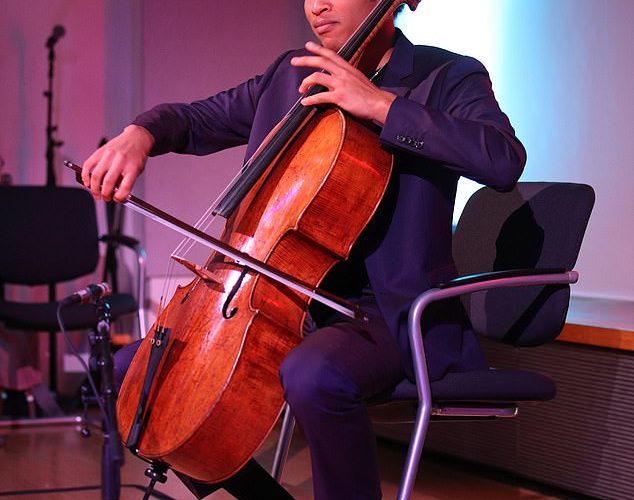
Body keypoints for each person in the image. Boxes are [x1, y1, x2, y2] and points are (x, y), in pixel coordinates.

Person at [82, 1, 526, 498]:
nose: (317, 5)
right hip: (282, 303)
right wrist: (139, 134)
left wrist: (381, 106)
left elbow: (503, 160)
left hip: (388, 312)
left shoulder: (447, 76)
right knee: (134, 374)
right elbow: (195, 119)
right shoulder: (292, 76)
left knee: (313, 374)